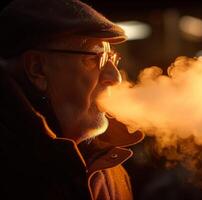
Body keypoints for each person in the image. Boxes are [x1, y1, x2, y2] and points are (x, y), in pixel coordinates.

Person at [0, 0, 143, 199]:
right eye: (96, 58)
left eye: (112, 58)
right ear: (38, 69)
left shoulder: (109, 169)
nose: (115, 77)